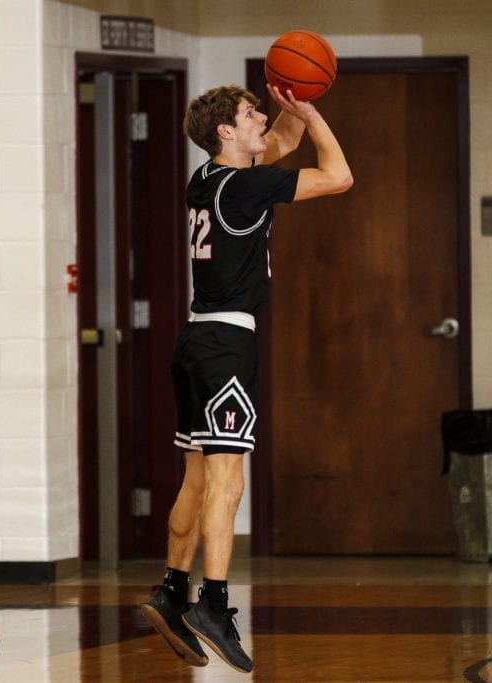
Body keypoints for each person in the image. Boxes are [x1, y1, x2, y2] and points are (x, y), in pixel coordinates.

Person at [140, 82, 352, 673]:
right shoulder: (249, 187)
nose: (261, 118)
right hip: (228, 345)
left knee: (197, 480)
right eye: (249, 113)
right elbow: (338, 176)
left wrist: (291, 100)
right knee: (229, 484)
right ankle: (212, 603)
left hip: (193, 342)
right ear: (226, 133)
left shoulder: (208, 178)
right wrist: (312, 110)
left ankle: (170, 589)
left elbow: (278, 141)